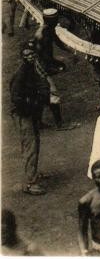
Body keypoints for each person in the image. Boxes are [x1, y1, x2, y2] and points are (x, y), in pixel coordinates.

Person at [9, 46, 51, 195]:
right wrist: (28, 108)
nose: (31, 57)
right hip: (22, 114)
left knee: (35, 143)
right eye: (27, 55)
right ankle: (29, 183)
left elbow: (43, 85)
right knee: (30, 147)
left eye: (32, 54)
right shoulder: (21, 73)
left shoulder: (33, 70)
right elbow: (16, 98)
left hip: (30, 113)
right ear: (23, 57)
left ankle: (33, 174)